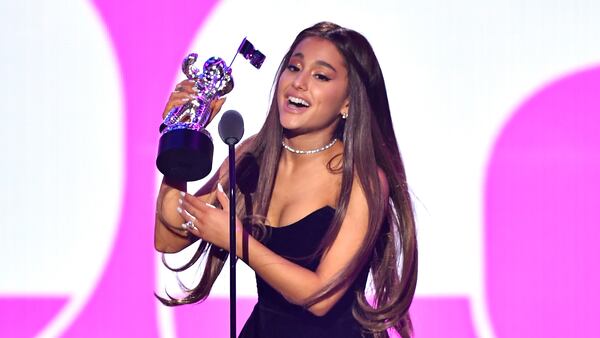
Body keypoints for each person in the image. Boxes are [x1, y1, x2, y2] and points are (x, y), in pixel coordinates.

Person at [154, 22, 418, 338]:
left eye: (320, 76)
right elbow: (168, 238)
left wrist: (237, 242)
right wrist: (183, 133)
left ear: (348, 102)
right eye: (294, 67)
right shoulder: (253, 154)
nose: (299, 83)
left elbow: (321, 295)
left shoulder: (360, 178)